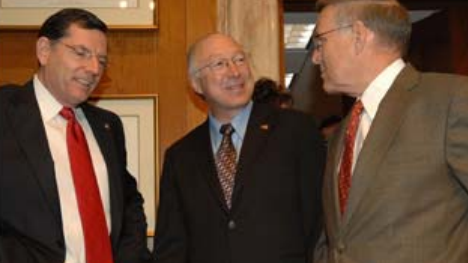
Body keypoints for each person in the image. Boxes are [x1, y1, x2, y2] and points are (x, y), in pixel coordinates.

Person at [311, 0, 468, 262]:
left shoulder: (451, 100)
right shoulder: (342, 133)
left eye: (320, 42)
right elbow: (338, 240)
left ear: (359, 36)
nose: (316, 56)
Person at [153, 33, 325, 263]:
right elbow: (171, 247)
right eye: (220, 64)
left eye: (240, 59)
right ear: (196, 82)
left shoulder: (295, 130)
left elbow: (321, 222)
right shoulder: (180, 156)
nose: (234, 72)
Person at [0, 8, 151, 263]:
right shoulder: (5, 113)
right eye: (81, 53)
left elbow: (129, 205)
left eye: (101, 61)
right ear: (44, 51)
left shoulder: (108, 126)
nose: (93, 68)